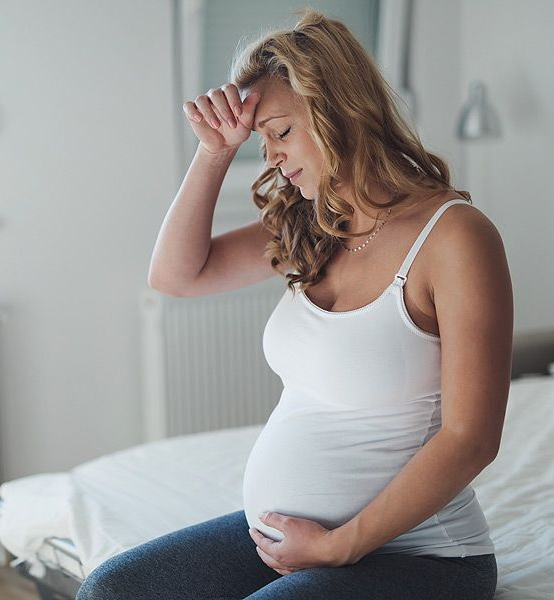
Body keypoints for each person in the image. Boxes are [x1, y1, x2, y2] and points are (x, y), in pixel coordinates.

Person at [77, 8, 512, 600]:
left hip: (424, 558)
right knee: (115, 589)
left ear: (341, 114)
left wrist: (340, 546)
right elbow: (176, 276)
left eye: (280, 132)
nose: (271, 157)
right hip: (291, 545)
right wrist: (213, 154)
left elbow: (471, 439)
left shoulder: (455, 237)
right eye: (262, 143)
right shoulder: (314, 223)